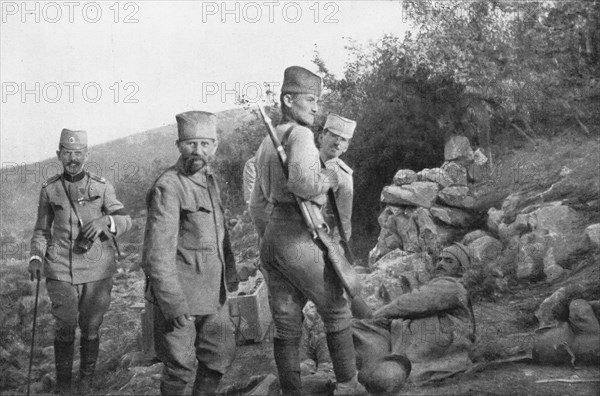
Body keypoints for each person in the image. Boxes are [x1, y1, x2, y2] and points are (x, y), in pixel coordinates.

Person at [249, 66, 364, 395]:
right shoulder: (299, 135)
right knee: (337, 309)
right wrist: (328, 178)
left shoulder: (266, 143)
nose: (316, 107)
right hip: (300, 234)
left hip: (274, 237)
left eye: (317, 101)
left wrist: (270, 239)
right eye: (310, 100)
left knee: (286, 324)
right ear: (288, 100)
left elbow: (257, 205)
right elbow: (303, 182)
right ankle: (348, 388)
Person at [141, 111, 240, 396]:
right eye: (191, 144)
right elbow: (156, 256)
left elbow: (222, 235)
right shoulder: (168, 187)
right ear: (178, 145)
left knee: (220, 354)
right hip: (180, 296)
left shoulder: (209, 180)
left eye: (206, 144)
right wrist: (174, 305)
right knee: (179, 368)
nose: (198, 151)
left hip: (212, 291)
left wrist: (230, 278)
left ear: (215, 146)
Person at [28, 129, 132, 394]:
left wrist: (104, 221)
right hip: (60, 266)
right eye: (67, 153)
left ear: (87, 154)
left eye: (78, 153)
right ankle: (64, 385)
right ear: (58, 154)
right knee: (64, 324)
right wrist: (36, 256)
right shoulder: (49, 189)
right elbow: (41, 230)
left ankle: (86, 381)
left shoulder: (102, 186)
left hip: (97, 269)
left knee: (91, 326)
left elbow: (125, 220)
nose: (73, 158)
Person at [352, 243, 476, 393]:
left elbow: (414, 302)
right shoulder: (440, 285)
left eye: (449, 261)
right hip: (409, 343)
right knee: (355, 330)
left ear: (462, 270)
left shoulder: (452, 286)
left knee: (360, 331)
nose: (441, 264)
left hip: (432, 349)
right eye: (440, 259)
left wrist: (379, 314)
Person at [318, 113, 356, 241]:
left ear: (346, 148)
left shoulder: (344, 176)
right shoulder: (301, 161)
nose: (337, 143)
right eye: (334, 136)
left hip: (318, 239)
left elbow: (343, 221)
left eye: (343, 140)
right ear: (321, 137)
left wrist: (336, 251)